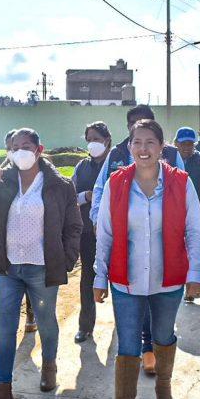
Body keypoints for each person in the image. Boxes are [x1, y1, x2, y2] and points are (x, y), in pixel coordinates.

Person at [94, 119, 200, 399]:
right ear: (130, 148)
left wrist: (195, 273)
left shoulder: (180, 182)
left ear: (161, 148)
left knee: (162, 336)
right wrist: (100, 277)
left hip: (167, 278)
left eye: (150, 143)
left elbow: (195, 230)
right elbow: (105, 233)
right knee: (128, 347)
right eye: (137, 142)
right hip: (125, 281)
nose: (143, 149)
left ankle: (164, 390)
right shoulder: (117, 183)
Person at [0, 128, 82, 399]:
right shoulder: (3, 180)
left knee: (46, 324)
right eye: (14, 146)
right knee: (5, 332)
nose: (19, 150)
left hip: (41, 268)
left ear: (38, 148)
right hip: (6, 268)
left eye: (25, 145)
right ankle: (2, 394)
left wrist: (67, 258)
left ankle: (49, 364)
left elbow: (73, 226)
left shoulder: (59, 185)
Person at [90, 104, 185, 375]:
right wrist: (99, 218)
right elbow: (100, 189)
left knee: (159, 311)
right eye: (133, 125)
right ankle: (145, 349)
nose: (143, 146)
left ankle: (154, 351)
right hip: (125, 243)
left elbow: (180, 192)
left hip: (163, 246)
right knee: (135, 302)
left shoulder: (172, 156)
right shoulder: (118, 153)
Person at [0, 129, 37, 335]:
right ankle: (5, 326)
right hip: (4, 241)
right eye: (11, 148)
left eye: (22, 148)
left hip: (32, 243)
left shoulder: (38, 175)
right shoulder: (0, 175)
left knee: (31, 280)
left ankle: (32, 314)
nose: (14, 153)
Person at [72, 121, 112, 343]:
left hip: (115, 231)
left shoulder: (117, 164)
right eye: (89, 139)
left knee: (118, 278)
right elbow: (71, 195)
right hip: (88, 232)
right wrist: (86, 197)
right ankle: (85, 326)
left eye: (96, 139)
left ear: (106, 140)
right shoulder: (82, 167)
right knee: (88, 276)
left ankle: (124, 327)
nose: (92, 143)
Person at [174, 127, 200, 211]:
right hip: (173, 208)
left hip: (196, 208)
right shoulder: (169, 158)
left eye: (190, 144)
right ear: (176, 143)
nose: (186, 147)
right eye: (183, 143)